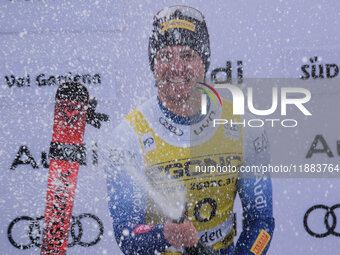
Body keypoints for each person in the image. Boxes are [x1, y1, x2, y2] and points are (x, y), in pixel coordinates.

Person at [101, 5, 274, 255]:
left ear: (204, 64)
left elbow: (262, 223)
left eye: (187, 55)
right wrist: (164, 235)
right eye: (165, 56)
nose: (176, 68)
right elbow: (126, 234)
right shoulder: (128, 136)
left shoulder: (244, 127)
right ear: (153, 65)